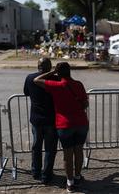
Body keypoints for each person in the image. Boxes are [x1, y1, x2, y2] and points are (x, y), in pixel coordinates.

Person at [34, 62, 89, 193]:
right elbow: (85, 103)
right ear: (70, 71)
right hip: (81, 123)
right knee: (79, 151)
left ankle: (70, 183)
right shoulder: (79, 84)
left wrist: (52, 72)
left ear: (58, 73)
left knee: (68, 155)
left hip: (64, 125)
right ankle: (77, 176)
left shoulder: (57, 86)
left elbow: (36, 80)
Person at [23, 57, 58, 184]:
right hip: (51, 119)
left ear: (38, 66)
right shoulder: (55, 78)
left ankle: (35, 172)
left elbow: (26, 92)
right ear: (50, 67)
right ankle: (46, 175)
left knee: (36, 146)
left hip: (36, 119)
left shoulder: (30, 77)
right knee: (50, 148)